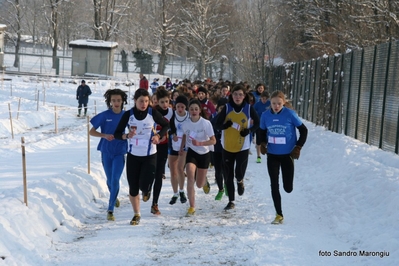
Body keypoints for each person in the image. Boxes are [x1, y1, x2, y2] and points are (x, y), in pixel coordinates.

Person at [113, 89, 169, 225]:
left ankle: (147, 190)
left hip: (150, 155)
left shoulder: (152, 113)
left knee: (144, 185)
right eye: (140, 101)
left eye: (146, 101)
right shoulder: (128, 115)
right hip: (133, 155)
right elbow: (117, 133)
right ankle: (136, 214)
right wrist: (126, 136)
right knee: (133, 187)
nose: (143, 104)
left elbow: (167, 125)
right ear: (135, 101)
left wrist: (158, 136)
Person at [258, 90, 308, 224]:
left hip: (287, 154)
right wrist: (262, 143)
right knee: (274, 184)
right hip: (273, 154)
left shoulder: (290, 114)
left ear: (284, 103)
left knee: (288, 188)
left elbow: (304, 130)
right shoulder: (265, 115)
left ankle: (288, 187)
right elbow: (261, 131)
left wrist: (298, 147)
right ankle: (279, 214)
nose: (276, 106)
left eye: (279, 103)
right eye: (273, 103)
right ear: (270, 103)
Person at [215, 84, 260, 211]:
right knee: (228, 174)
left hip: (242, 146)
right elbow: (217, 125)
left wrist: (249, 131)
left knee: (238, 172)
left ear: (244, 96)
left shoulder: (249, 108)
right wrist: (225, 125)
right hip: (227, 145)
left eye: (240, 94)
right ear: (231, 95)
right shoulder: (227, 108)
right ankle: (231, 201)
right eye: (235, 94)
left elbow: (257, 123)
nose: (238, 97)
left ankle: (240, 181)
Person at [89, 89, 128, 221]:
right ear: (109, 101)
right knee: (109, 180)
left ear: (123, 101)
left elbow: (134, 128)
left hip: (120, 151)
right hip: (106, 151)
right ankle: (114, 196)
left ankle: (110, 209)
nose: (116, 103)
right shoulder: (105, 115)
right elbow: (91, 131)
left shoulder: (126, 115)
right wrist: (104, 135)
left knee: (115, 179)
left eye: (118, 100)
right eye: (113, 100)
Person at [180, 99, 216, 216]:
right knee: (190, 177)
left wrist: (200, 143)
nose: (194, 111)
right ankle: (192, 207)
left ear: (200, 110)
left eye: (196, 109)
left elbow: (213, 140)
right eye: (191, 109)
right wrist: (182, 147)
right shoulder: (185, 124)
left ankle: (204, 181)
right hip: (192, 152)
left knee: (199, 184)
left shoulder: (206, 123)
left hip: (204, 154)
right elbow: (185, 135)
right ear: (188, 111)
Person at [150, 87, 174, 215]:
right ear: (156, 102)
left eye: (167, 101)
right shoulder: (151, 112)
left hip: (164, 146)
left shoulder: (171, 112)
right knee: (150, 173)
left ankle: (155, 204)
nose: (165, 105)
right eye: (162, 102)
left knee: (159, 174)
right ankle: (147, 189)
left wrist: (170, 134)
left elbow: (174, 127)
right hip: (150, 146)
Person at [168, 95, 190, 205]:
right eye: (178, 106)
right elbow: (169, 126)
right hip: (173, 145)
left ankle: (182, 191)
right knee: (173, 172)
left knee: (180, 168)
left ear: (185, 107)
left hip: (184, 145)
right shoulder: (172, 114)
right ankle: (175, 193)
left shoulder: (189, 116)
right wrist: (173, 134)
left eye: (182, 107)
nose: (180, 109)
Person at [211, 98, 228, 201]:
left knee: (227, 170)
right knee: (218, 171)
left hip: (228, 149)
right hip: (216, 149)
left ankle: (227, 185)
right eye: (221, 108)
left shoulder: (230, 119)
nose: (222, 111)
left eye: (224, 108)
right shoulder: (214, 120)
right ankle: (220, 189)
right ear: (217, 109)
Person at [253, 90, 271, 163]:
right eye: (263, 98)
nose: (264, 100)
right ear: (260, 98)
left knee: (268, 140)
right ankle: (258, 156)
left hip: (268, 124)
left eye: (266, 99)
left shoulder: (270, 104)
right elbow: (253, 112)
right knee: (259, 141)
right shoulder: (257, 104)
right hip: (259, 124)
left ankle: (269, 153)